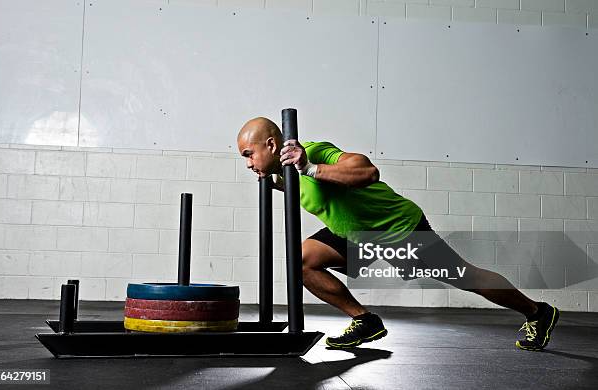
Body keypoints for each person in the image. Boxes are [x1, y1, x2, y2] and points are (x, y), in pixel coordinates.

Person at [236, 116, 559, 351]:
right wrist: (280, 181)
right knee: (302, 261)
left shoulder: (314, 153)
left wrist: (310, 167)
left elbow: (367, 171)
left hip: (397, 230)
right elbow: (311, 193)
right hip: (354, 234)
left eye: (248, 155)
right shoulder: (285, 175)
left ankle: (537, 311)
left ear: (271, 144)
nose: (248, 164)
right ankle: (366, 321)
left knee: (466, 278)